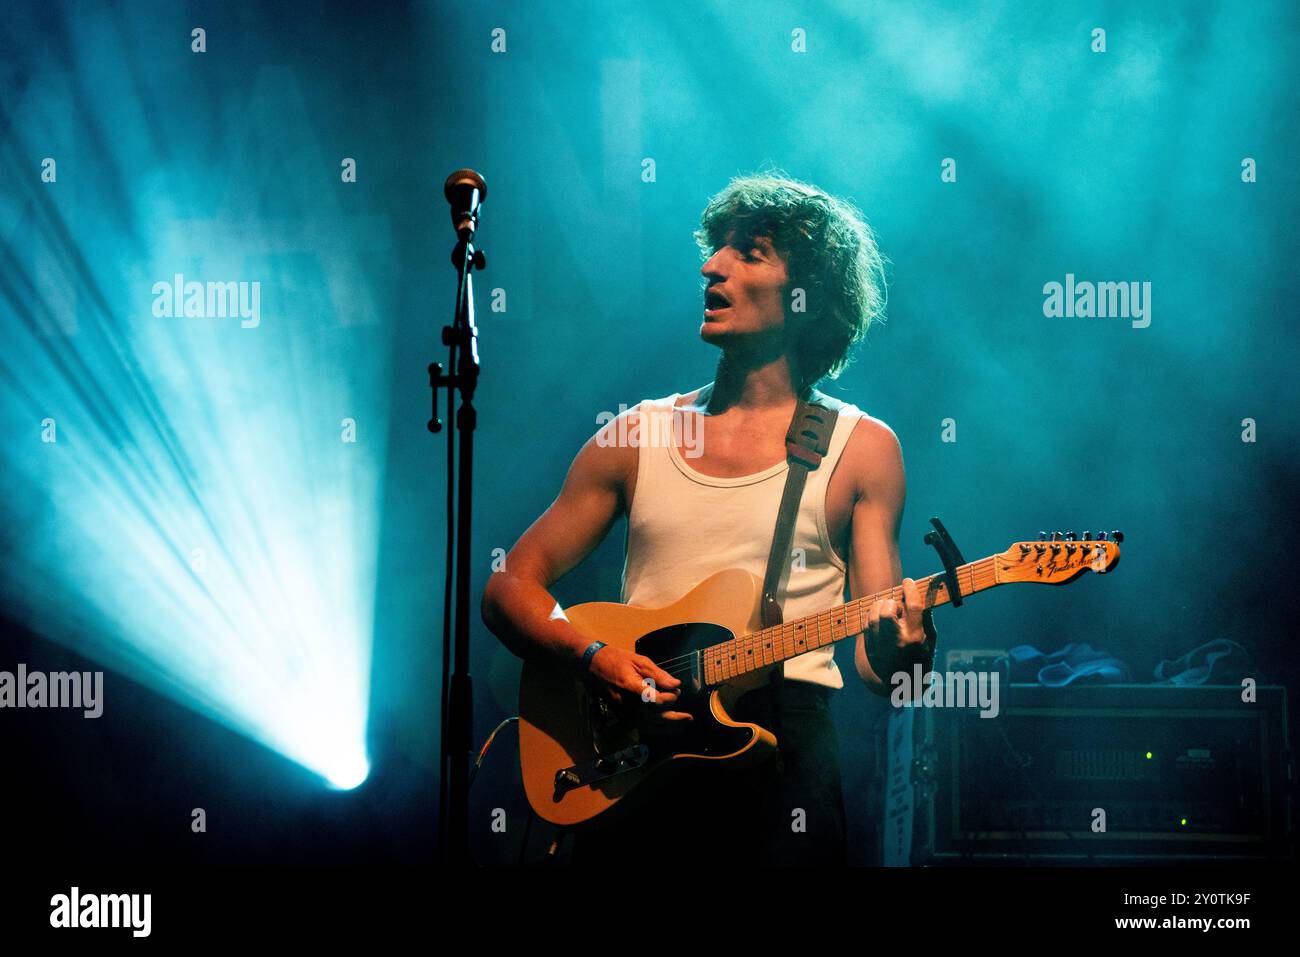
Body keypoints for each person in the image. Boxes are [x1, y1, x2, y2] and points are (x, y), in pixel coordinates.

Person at [481, 172, 936, 866]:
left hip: (785, 762)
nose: (712, 264)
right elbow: (509, 586)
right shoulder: (637, 433)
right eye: (715, 247)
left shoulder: (863, 449)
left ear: (806, 297)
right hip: (635, 756)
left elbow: (879, 669)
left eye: (748, 252)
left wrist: (908, 649)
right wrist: (593, 656)